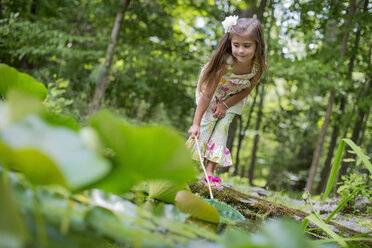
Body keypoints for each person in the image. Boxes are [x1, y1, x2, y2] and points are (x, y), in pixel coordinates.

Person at [186, 16, 267, 189]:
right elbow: (207, 95)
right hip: (212, 94)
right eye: (236, 45)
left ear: (257, 46)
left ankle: (209, 172)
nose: (241, 51)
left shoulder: (257, 67)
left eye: (247, 46)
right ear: (230, 42)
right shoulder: (224, 64)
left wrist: (225, 105)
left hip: (234, 99)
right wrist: (195, 123)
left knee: (222, 129)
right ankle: (187, 167)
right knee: (206, 126)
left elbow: (246, 91)